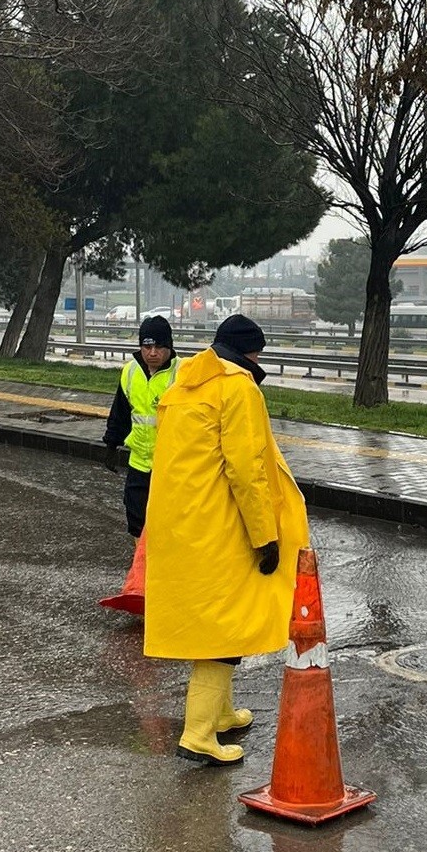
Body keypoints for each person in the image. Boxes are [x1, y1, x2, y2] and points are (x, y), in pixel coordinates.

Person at [143, 313, 310, 765]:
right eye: (258, 352)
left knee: (218, 620)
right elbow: (247, 469)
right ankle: (198, 734)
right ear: (249, 351)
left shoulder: (185, 384)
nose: (260, 360)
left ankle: (220, 715)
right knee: (222, 630)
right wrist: (265, 535)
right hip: (221, 524)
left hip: (182, 524)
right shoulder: (239, 388)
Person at [102, 315, 178, 537]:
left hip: (170, 466)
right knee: (136, 522)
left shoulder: (182, 373)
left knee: (167, 525)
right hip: (139, 463)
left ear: (169, 346)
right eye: (147, 346)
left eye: (159, 346)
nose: (152, 352)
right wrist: (111, 444)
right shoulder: (130, 371)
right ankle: (141, 570)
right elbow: (121, 412)